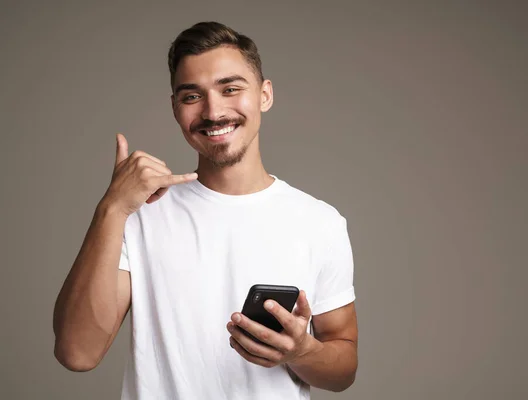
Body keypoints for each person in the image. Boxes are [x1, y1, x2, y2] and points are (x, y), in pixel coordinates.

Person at [53, 21, 358, 400]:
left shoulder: (320, 222)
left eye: (230, 89)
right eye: (192, 96)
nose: (213, 112)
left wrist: (302, 352)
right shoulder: (139, 214)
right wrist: (111, 208)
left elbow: (344, 369)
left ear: (265, 95)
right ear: (175, 107)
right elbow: (77, 353)